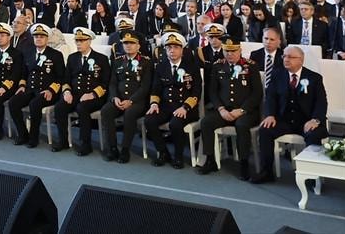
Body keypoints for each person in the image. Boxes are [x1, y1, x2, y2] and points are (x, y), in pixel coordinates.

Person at [251, 45, 329, 183]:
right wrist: (270, 115)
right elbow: (270, 98)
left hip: (307, 120)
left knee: (314, 134)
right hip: (284, 121)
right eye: (284, 56)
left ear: (301, 60)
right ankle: (266, 172)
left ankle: (311, 176)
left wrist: (315, 120)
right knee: (265, 130)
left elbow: (321, 102)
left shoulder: (314, 78)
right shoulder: (277, 74)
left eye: (291, 57)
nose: (286, 59)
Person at [195, 40, 261, 180]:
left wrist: (242, 110)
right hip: (224, 110)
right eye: (227, 51)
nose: (229, 54)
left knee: (241, 125)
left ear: (240, 50)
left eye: (233, 51)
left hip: (246, 111)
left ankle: (244, 163)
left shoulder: (251, 66)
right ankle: (210, 160)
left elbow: (257, 94)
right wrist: (221, 109)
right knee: (206, 122)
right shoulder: (218, 66)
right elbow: (213, 92)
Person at [144, 31, 201, 169]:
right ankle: (163, 152)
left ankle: (178, 156)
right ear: (165, 50)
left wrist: (185, 107)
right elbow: (156, 89)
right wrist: (154, 104)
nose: (172, 51)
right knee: (149, 120)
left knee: (175, 124)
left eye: (176, 47)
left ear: (182, 50)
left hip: (186, 107)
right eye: (169, 47)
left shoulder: (192, 67)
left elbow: (196, 92)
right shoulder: (161, 66)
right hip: (165, 106)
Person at [52, 27, 109, 156]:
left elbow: (105, 82)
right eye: (77, 41)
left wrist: (92, 94)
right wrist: (67, 92)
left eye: (82, 41)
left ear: (89, 41)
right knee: (60, 107)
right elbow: (66, 79)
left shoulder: (101, 59)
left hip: (94, 95)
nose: (78, 43)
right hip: (75, 94)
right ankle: (63, 140)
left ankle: (85, 144)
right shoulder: (72, 58)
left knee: (82, 108)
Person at [7, 23, 64, 148]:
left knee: (34, 104)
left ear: (47, 39)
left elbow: (61, 77)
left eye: (41, 37)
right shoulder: (28, 52)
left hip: (47, 91)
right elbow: (24, 73)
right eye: (36, 36)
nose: (38, 39)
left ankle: (34, 137)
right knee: (13, 103)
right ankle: (23, 134)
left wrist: (51, 90)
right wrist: (22, 86)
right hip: (30, 89)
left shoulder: (56, 55)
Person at [100, 31, 152, 164]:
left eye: (131, 43)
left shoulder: (146, 62)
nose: (128, 46)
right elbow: (112, 83)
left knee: (130, 114)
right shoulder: (117, 61)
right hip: (119, 99)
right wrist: (114, 98)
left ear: (138, 46)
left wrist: (131, 101)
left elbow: (145, 87)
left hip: (137, 101)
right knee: (106, 111)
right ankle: (112, 148)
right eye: (125, 43)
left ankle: (125, 149)